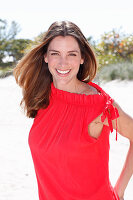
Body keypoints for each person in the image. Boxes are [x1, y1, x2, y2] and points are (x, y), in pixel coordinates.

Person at [13, 21, 133, 200]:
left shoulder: (98, 105)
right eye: (55, 53)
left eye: (72, 54)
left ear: (82, 58)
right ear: (45, 56)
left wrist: (120, 190)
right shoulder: (44, 96)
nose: (63, 62)